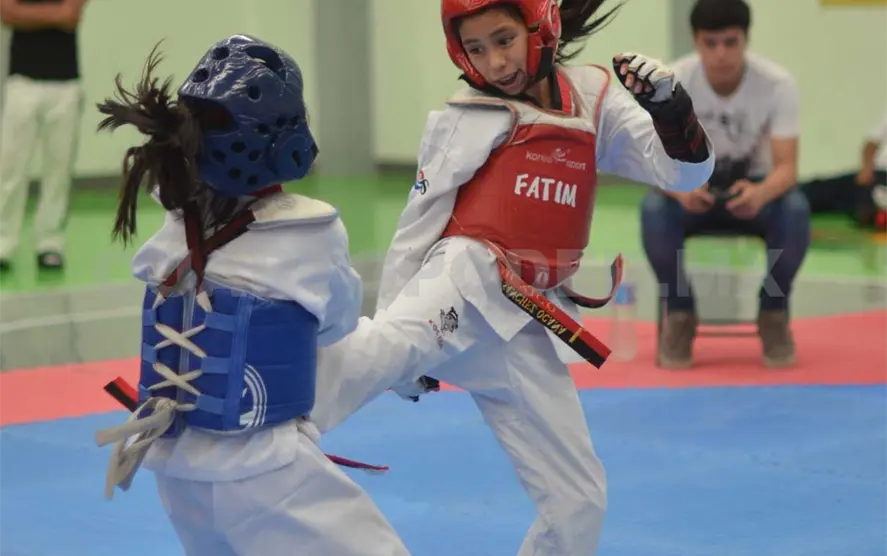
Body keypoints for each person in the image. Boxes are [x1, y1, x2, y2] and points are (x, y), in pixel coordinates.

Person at [310, 1, 715, 554]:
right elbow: (417, 223)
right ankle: (254, 415)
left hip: (527, 316)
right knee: (381, 353)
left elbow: (683, 172)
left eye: (503, 40)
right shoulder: (469, 115)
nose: (495, 63)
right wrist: (397, 332)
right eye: (476, 49)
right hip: (464, 282)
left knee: (578, 499)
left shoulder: (592, 97)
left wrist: (670, 109)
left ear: (539, 27)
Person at [92, 36, 410, 556]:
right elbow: (338, 324)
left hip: (176, 470)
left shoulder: (171, 228)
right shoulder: (308, 232)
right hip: (264, 470)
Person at [640, 0, 810, 369]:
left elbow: (787, 169)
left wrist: (761, 193)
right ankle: (680, 312)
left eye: (730, 42)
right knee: (654, 208)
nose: (721, 54)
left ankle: (773, 311)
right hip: (693, 191)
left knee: (795, 210)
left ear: (746, 40)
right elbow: (652, 162)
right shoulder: (672, 84)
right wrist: (679, 191)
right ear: (696, 41)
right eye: (711, 43)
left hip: (754, 194)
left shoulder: (777, 85)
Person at [0, 0, 88, 272]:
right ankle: (3, 243)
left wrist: (27, 15)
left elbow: (70, 15)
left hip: (65, 85)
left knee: (58, 170)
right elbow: (6, 12)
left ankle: (50, 244)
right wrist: (54, 15)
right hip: (21, 82)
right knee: (9, 168)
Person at [799, 105, 887, 230]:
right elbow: (871, 143)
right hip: (875, 175)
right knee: (822, 191)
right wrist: (867, 169)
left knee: (850, 205)